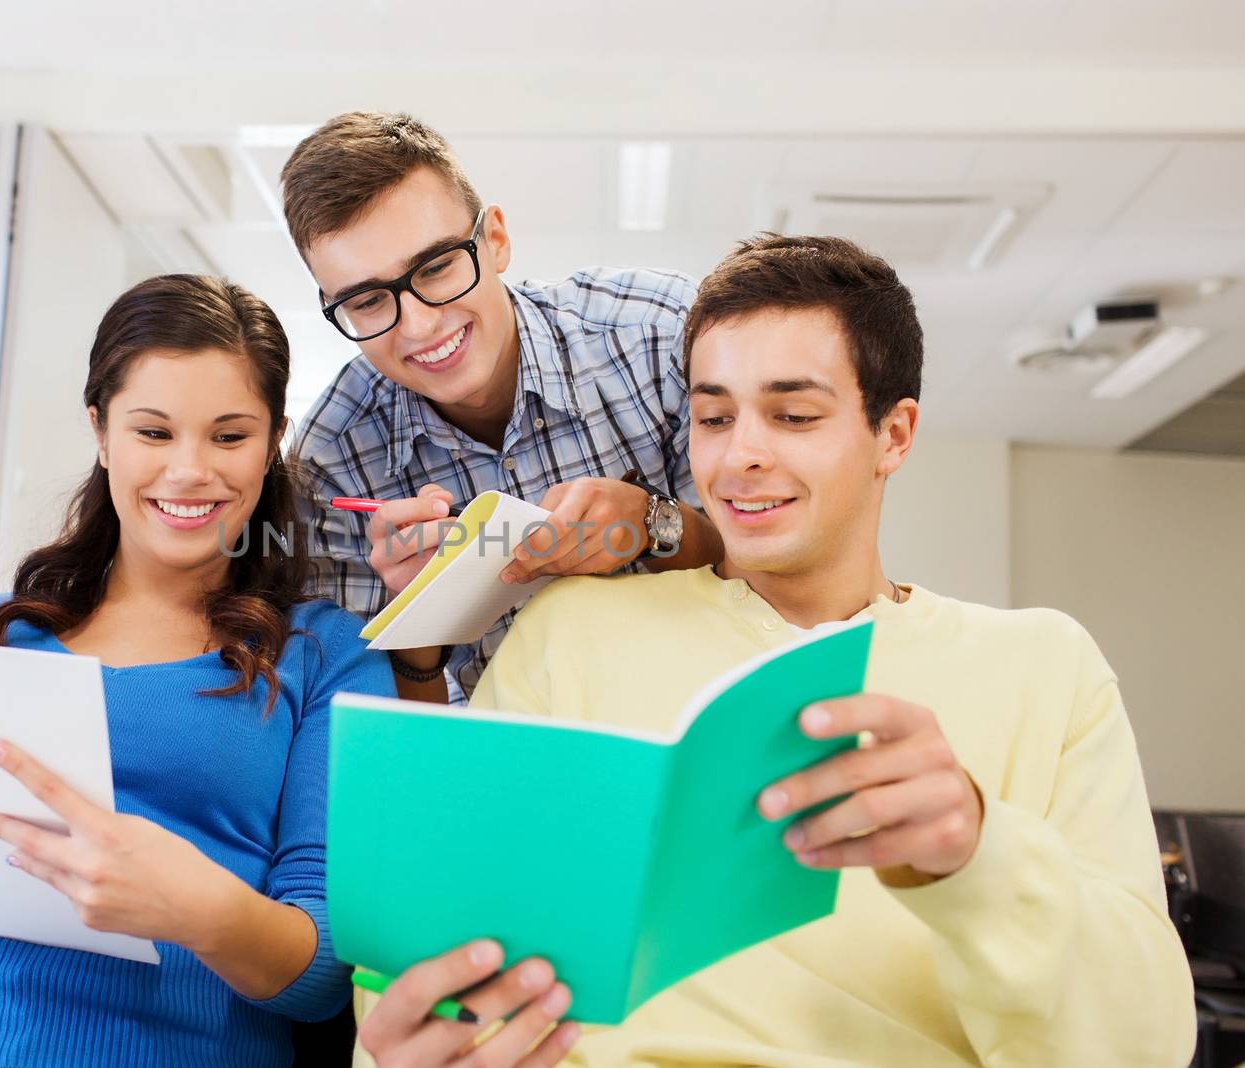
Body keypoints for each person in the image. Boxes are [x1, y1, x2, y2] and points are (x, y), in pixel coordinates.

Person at [352, 235, 1195, 1067]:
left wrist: (979, 852)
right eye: (713, 417)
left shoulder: (1046, 667)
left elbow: (1145, 1042)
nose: (739, 455)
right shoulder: (571, 631)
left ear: (893, 436)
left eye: (793, 416)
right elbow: (426, 948)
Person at [0, 274, 396, 1067]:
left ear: (273, 445)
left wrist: (200, 910)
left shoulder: (327, 657)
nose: (191, 470)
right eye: (154, 433)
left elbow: (323, 980)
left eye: (229, 437)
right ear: (101, 432)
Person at [284, 111, 723, 702]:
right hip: (499, 772)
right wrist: (417, 629)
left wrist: (651, 522)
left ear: (495, 239)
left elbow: (767, 577)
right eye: (366, 301)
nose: (420, 325)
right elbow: (391, 746)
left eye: (437, 267)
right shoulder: (330, 457)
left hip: (695, 729)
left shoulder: (658, 332)